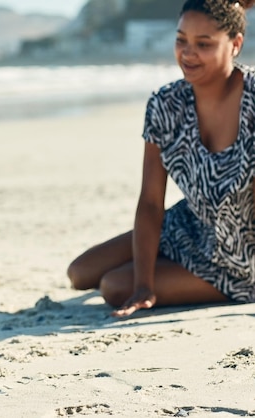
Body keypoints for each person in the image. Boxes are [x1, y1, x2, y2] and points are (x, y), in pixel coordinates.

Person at [67, 0, 255, 317]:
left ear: (235, 44)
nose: (188, 53)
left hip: (241, 255)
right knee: (80, 273)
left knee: (114, 286)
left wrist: (140, 285)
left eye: (203, 44)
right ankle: (166, 270)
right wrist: (144, 283)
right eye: (181, 40)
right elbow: (152, 201)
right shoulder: (165, 104)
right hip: (190, 225)